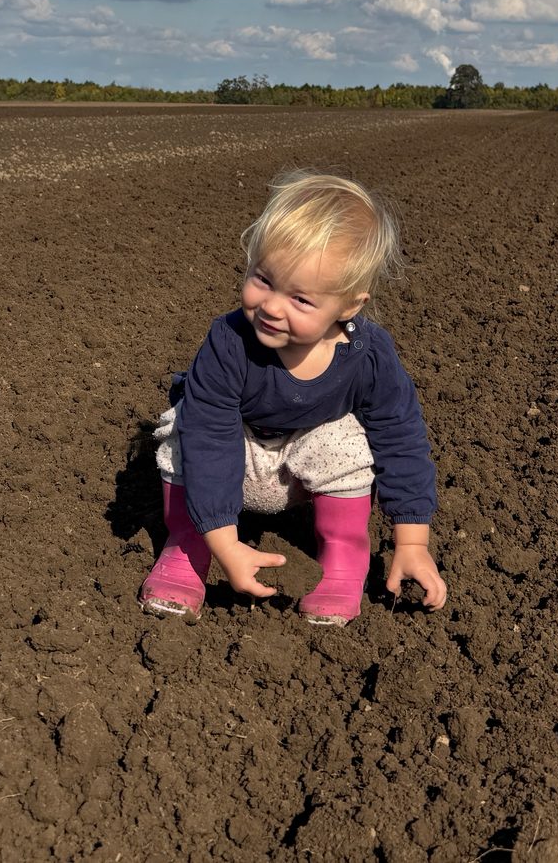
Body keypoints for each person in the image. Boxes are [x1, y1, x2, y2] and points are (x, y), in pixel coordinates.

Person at [140, 170, 448, 625]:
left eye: (301, 299)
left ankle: (342, 562)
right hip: (232, 456)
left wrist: (412, 543)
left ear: (349, 306)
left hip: (302, 475)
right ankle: (188, 546)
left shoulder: (369, 358)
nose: (271, 306)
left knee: (349, 436)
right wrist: (224, 544)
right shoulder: (228, 342)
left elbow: (401, 439)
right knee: (184, 424)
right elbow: (210, 437)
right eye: (263, 279)